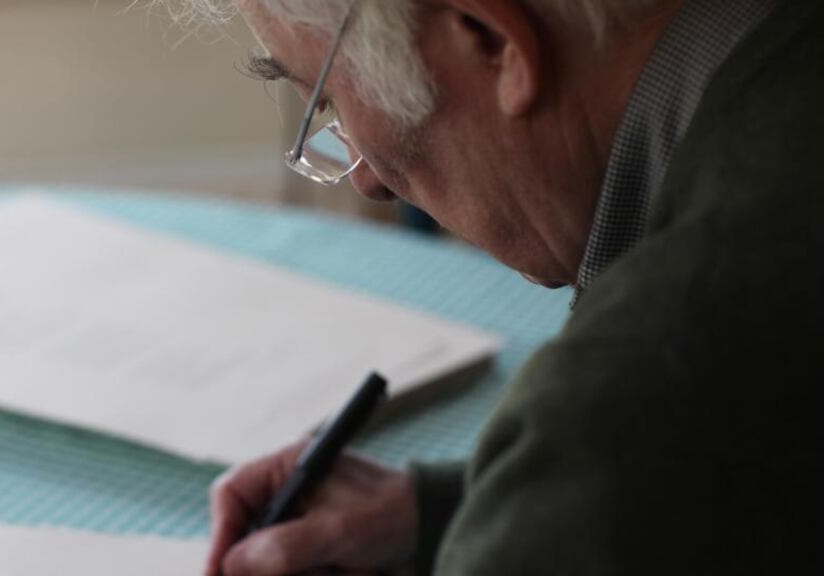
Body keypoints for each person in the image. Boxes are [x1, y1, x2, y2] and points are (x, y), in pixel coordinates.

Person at [154, 0, 824, 574]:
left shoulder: (633, 396)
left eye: (330, 100)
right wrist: (481, 506)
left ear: (490, 38)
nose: (368, 180)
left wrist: (544, 508)